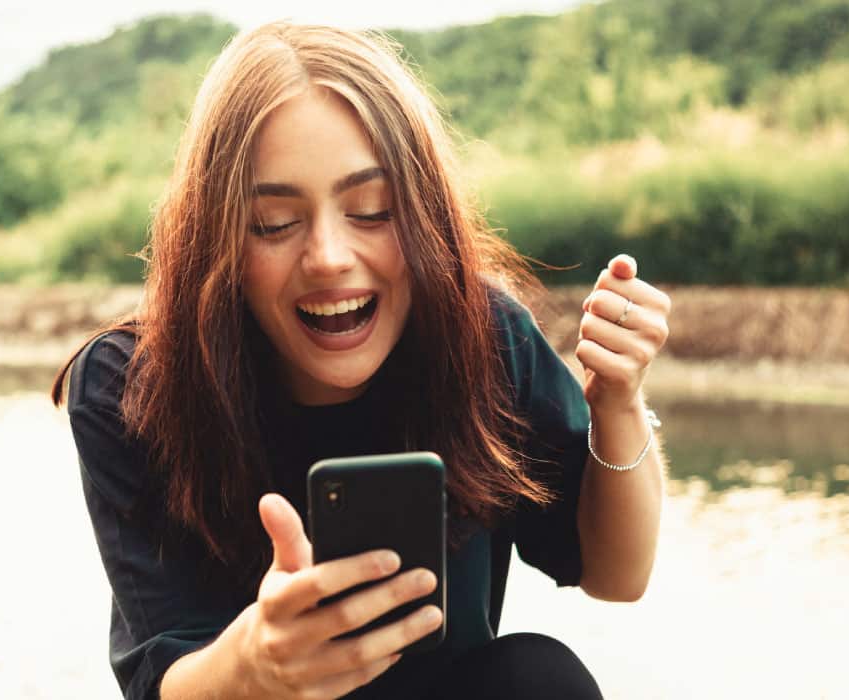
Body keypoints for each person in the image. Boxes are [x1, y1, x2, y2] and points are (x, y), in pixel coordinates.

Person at [50, 21, 671, 700]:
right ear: (216, 238)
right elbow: (161, 681)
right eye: (275, 224)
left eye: (372, 210)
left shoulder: (485, 337)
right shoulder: (132, 383)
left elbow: (618, 576)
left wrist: (618, 401)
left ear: (426, 215)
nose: (328, 257)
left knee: (536, 676)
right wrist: (254, 665)